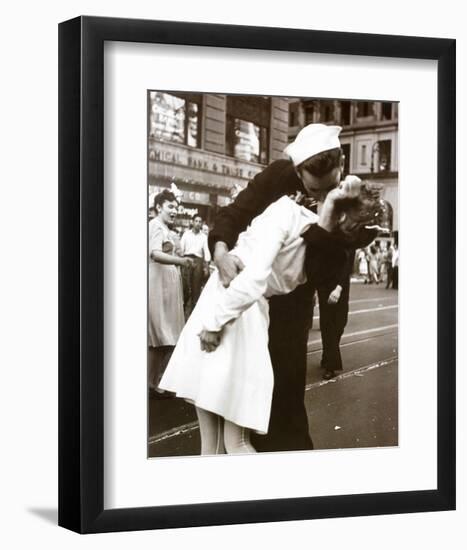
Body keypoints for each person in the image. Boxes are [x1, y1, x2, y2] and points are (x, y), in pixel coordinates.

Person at [159, 177, 371, 454]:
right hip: (240, 312)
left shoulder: (292, 215)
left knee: (223, 443)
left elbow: (252, 277)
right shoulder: (313, 235)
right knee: (229, 441)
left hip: (231, 308)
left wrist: (214, 322)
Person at [204, 123, 349, 452]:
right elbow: (235, 212)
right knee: (235, 396)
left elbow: (329, 266)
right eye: (316, 191)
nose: (324, 197)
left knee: (284, 394)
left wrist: (327, 227)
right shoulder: (277, 176)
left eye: (331, 187)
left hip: (291, 304)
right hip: (248, 303)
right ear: (298, 172)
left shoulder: (343, 200)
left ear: (341, 167)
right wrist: (221, 251)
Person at [306, 182, 382, 380]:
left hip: (341, 284)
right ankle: (331, 364)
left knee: (340, 322)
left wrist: (339, 287)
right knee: (328, 323)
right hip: (326, 283)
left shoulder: (350, 234)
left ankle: (327, 355)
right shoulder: (329, 231)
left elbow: (347, 262)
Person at [148, 190, 192, 397]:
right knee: (160, 334)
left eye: (176, 207)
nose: (174, 211)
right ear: (158, 208)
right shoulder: (155, 226)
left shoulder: (165, 228)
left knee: (165, 336)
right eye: (170, 207)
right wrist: (180, 261)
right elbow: (155, 253)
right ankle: (151, 380)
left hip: (166, 285)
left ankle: (154, 379)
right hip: (158, 284)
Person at [180, 214, 211, 318]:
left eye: (200, 221)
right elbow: (181, 249)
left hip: (198, 261)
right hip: (186, 259)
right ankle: (182, 313)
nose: (198, 223)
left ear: (201, 224)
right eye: (196, 221)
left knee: (196, 289)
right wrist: (181, 261)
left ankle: (192, 316)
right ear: (192, 222)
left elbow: (206, 252)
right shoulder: (186, 234)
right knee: (185, 287)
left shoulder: (203, 237)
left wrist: (206, 266)